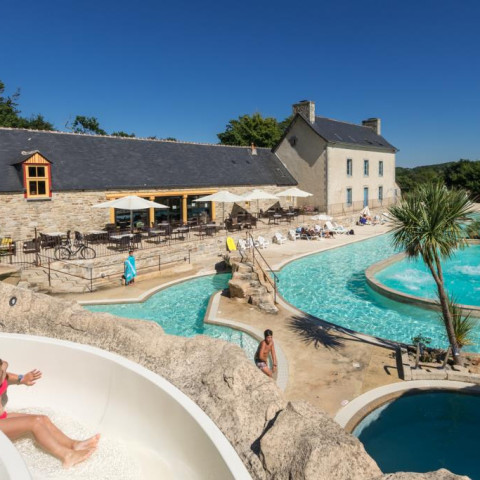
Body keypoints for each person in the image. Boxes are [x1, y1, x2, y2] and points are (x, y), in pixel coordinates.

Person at [0, 358, 99, 468]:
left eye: (2, 372)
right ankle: (68, 455)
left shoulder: (2, 372)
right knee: (35, 423)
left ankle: (73, 444)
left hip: (2, 418)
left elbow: (6, 369)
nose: (3, 375)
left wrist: (22, 379)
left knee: (42, 419)